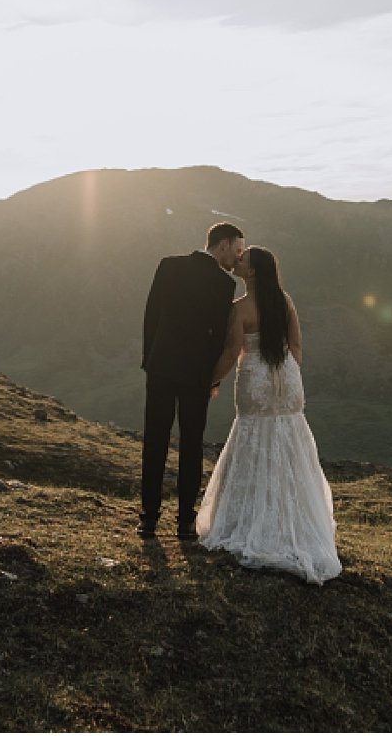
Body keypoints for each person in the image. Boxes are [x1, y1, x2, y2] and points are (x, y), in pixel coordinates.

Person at [196, 246, 341, 584]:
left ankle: (251, 521)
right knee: (289, 437)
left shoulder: (240, 308)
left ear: (253, 272)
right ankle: (297, 520)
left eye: (244, 258)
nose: (239, 259)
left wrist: (210, 379)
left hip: (256, 378)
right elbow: (297, 345)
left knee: (253, 434)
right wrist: (289, 371)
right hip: (287, 375)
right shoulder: (284, 301)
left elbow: (233, 352)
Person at [139, 222, 245, 539]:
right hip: (197, 375)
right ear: (223, 244)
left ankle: (149, 518)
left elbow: (151, 316)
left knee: (155, 442)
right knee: (191, 445)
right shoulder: (224, 285)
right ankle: (185, 521)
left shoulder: (169, 265)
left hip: (161, 367)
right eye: (237, 250)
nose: (237, 259)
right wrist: (212, 380)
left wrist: (150, 360)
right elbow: (217, 340)